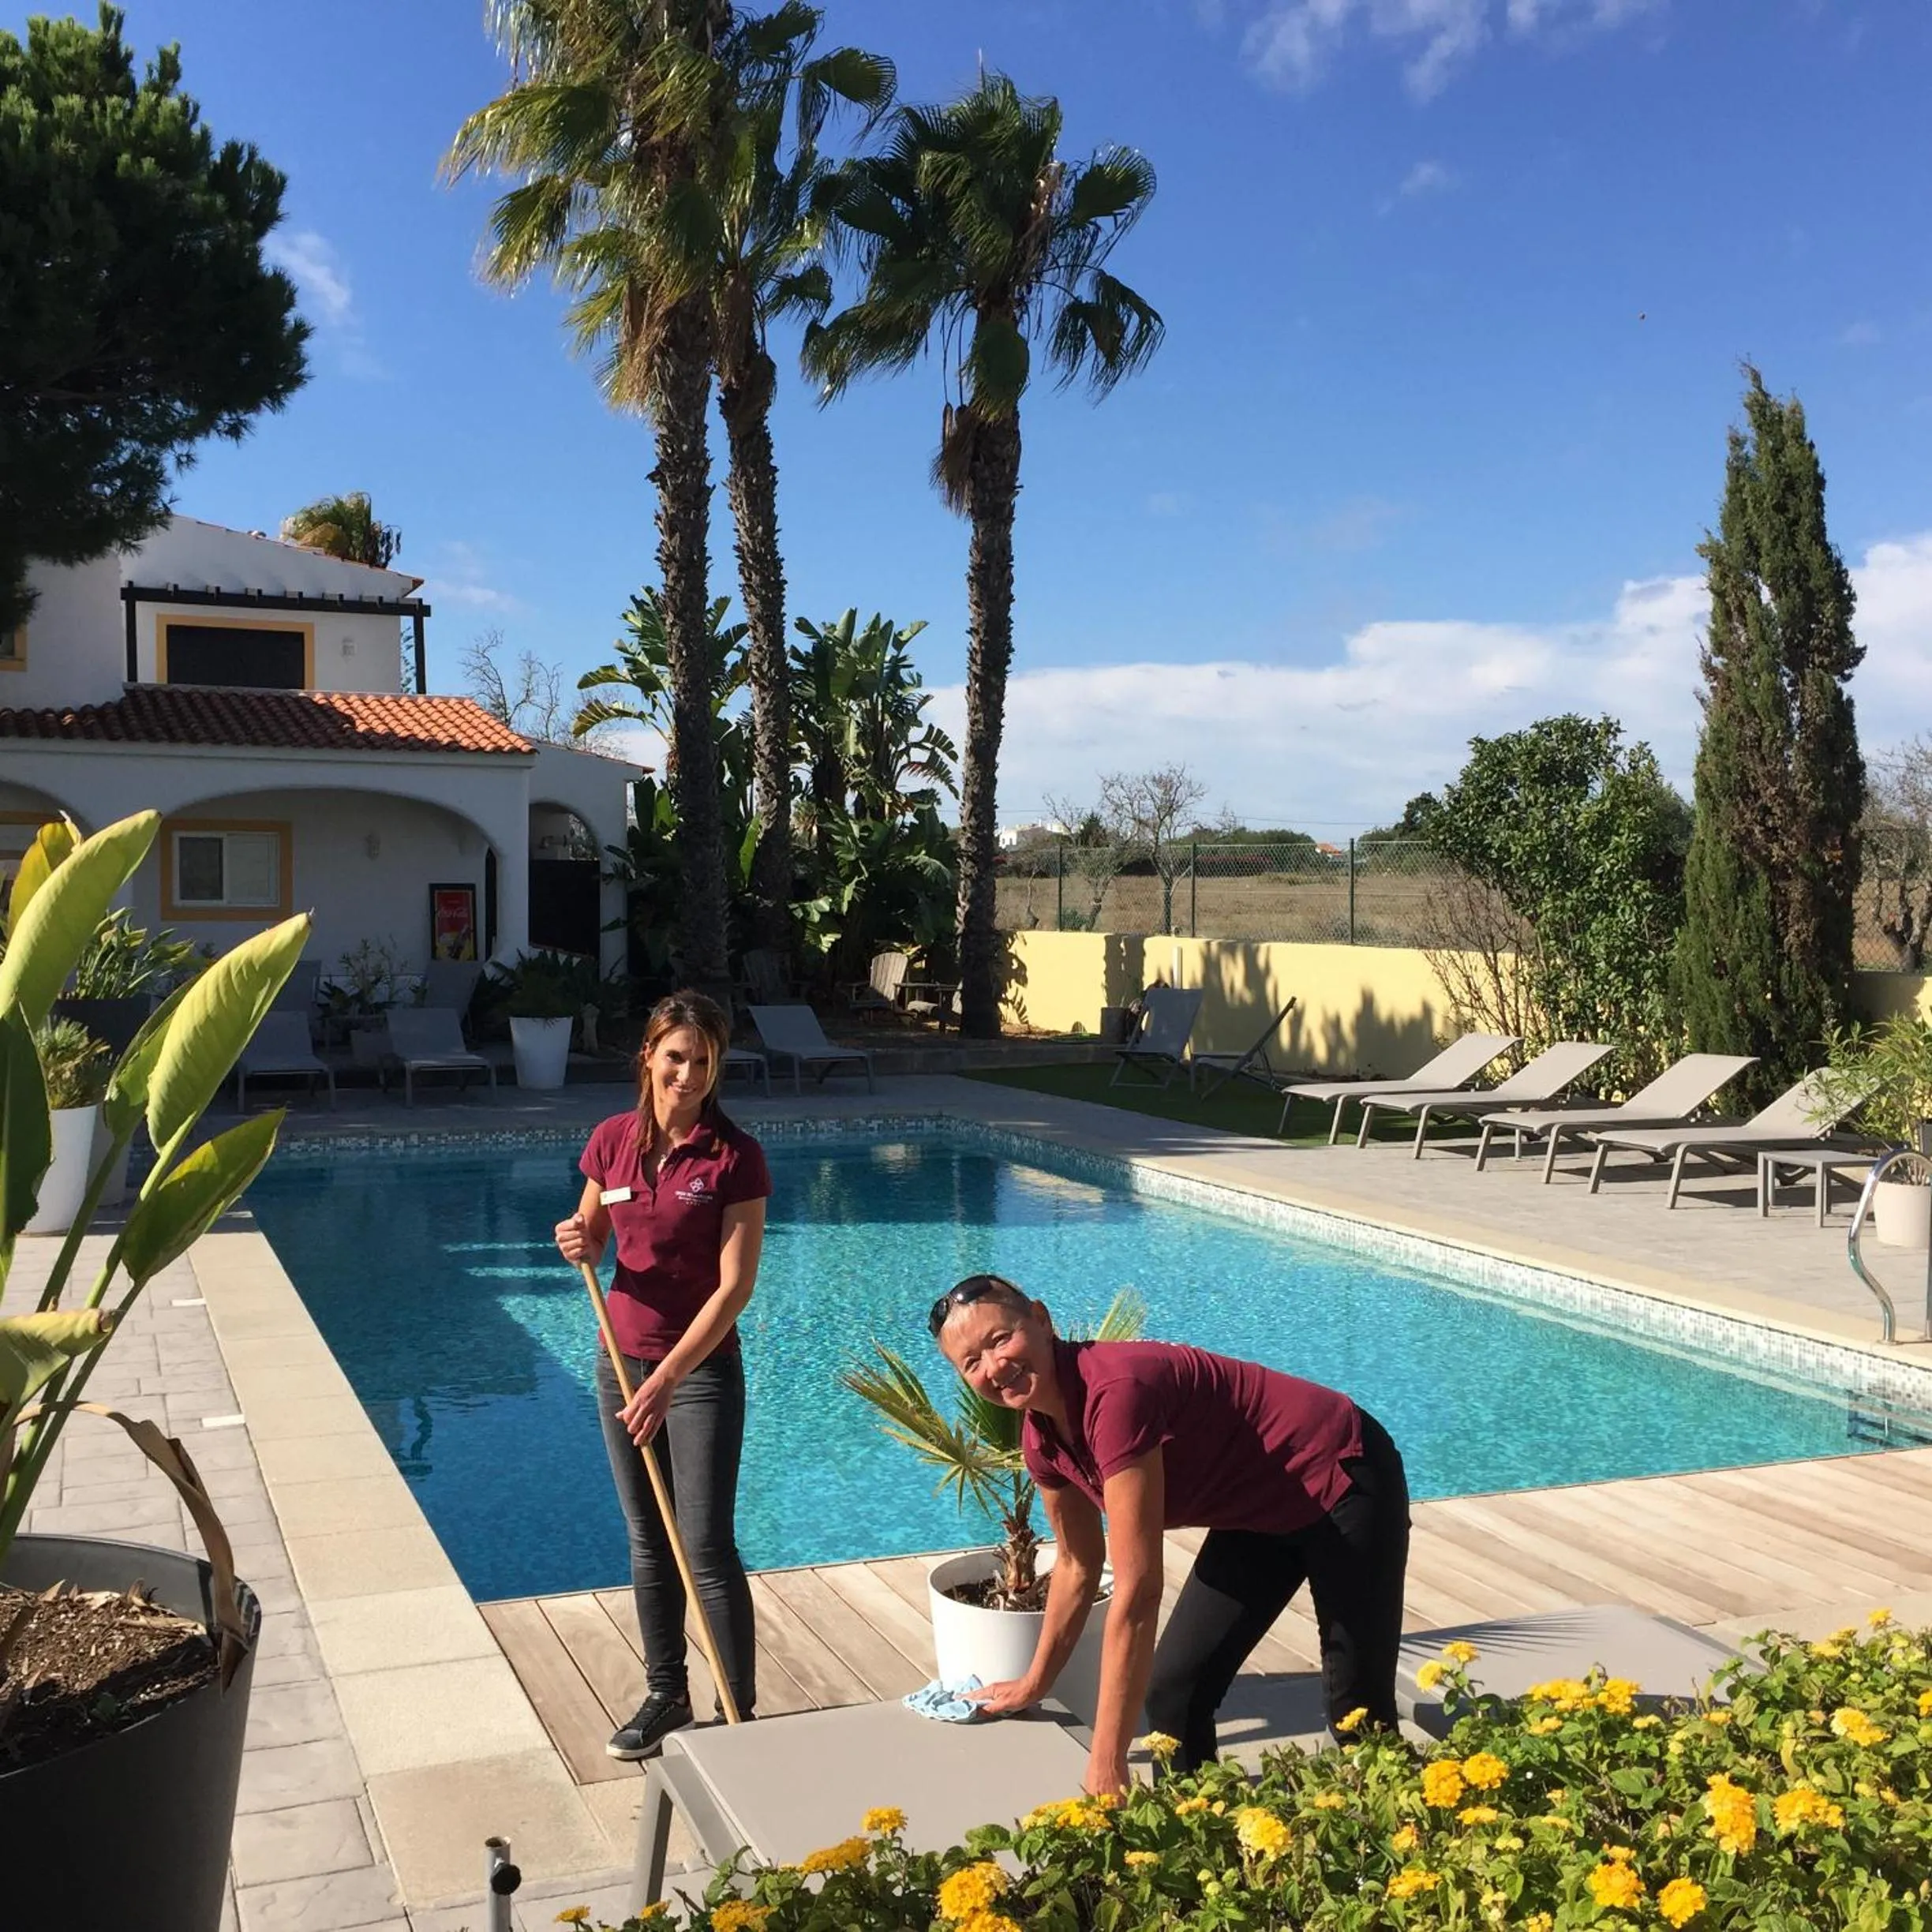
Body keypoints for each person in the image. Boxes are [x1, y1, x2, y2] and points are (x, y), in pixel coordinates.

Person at [929, 1274, 1410, 1794]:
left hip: (1341, 1473)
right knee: (1175, 1694)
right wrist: (1034, 1681)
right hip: (1258, 1512)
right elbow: (1076, 1564)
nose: (995, 1366)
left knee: (1357, 1712)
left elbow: (1137, 1591)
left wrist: (1108, 1764)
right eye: (972, 1362)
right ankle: (1205, 1843)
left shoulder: (1115, 1394)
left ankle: (1418, 1845)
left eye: (1001, 1339)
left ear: (1042, 1322)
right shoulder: (1041, 1441)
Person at [555, 990, 769, 1758]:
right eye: (675, 1056)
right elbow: (593, 1230)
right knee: (650, 1542)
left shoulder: (733, 1157)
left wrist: (671, 1377)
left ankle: (737, 1714)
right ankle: (665, 1694)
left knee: (705, 1545)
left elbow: (734, 1288)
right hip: (621, 1363)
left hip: (699, 1373)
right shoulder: (612, 1142)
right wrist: (575, 1240)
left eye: (703, 1060)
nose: (688, 1073)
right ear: (647, 1057)